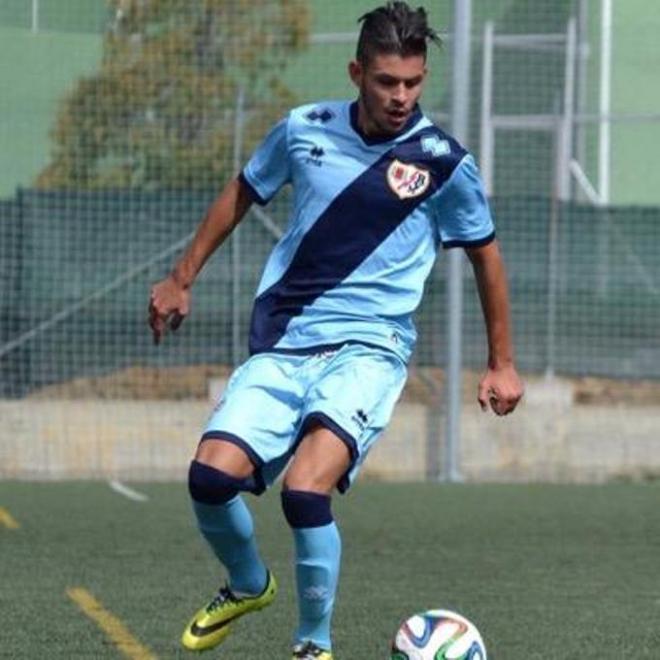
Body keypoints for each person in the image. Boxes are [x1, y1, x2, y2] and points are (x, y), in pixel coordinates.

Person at [149, 2, 524, 658]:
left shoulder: (442, 162)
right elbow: (242, 190)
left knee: (303, 487)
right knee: (209, 480)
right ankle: (246, 583)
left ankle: (312, 645)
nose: (401, 96)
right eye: (386, 82)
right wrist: (182, 277)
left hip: (371, 348)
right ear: (357, 73)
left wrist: (502, 361)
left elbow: (486, 254)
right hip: (287, 339)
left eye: (412, 82)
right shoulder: (304, 129)